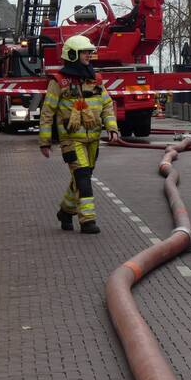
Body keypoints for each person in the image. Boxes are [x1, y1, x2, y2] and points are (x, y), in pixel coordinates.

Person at [39, 35, 119, 235]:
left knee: (80, 178)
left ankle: (65, 212)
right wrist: (45, 142)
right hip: (71, 139)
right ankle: (87, 221)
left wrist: (112, 128)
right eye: (85, 52)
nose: (89, 55)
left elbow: (107, 105)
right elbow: (47, 112)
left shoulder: (95, 79)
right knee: (83, 178)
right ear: (73, 54)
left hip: (93, 138)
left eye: (89, 52)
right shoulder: (58, 82)